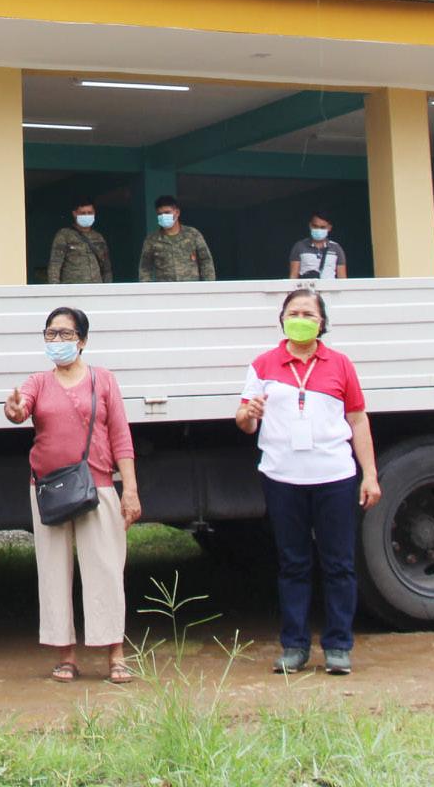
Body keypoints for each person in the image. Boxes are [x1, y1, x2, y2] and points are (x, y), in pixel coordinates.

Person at [235, 288, 380, 677]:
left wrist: (370, 474)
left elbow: (358, 419)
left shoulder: (340, 364)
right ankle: (294, 647)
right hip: (282, 477)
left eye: (309, 313)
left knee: (339, 564)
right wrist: (249, 413)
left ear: (322, 323)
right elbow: (244, 422)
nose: (301, 318)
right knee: (293, 564)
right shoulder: (264, 364)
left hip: (334, 476)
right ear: (282, 318)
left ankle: (338, 646)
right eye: (294, 312)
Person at [4, 305, 139, 684]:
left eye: (65, 334)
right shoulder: (37, 382)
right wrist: (13, 409)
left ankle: (115, 653)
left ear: (82, 340)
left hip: (98, 485)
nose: (57, 341)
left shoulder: (105, 381)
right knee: (53, 572)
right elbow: (19, 410)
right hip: (49, 489)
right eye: (50, 334)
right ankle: (65, 656)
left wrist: (129, 489)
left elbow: (121, 438)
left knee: (107, 570)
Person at [138, 194, 215, 282]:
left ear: (177, 212)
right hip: (166, 291)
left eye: (167, 212)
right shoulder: (151, 240)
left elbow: (206, 261)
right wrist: (148, 291)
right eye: (160, 214)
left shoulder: (193, 234)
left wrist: (208, 287)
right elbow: (145, 268)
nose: (163, 216)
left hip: (191, 291)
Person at [48, 200, 113, 285]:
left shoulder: (98, 237)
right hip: (72, 289)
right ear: (74, 214)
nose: (87, 215)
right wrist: (54, 289)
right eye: (83, 213)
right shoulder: (64, 235)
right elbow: (55, 264)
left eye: (90, 213)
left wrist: (107, 289)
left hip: (96, 289)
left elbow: (106, 268)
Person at [288, 213, 348, 281]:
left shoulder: (336, 248)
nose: (318, 229)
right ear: (310, 225)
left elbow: (342, 278)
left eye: (322, 227)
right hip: (307, 289)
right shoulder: (299, 246)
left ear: (329, 228)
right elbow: (293, 276)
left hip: (329, 289)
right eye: (315, 226)